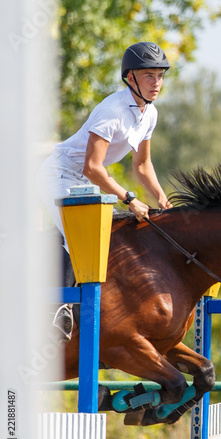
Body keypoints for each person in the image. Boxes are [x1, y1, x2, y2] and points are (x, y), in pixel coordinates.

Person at [37, 42, 173, 340]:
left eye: (160, 76)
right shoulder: (112, 111)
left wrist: (163, 199)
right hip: (59, 175)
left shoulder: (149, 113)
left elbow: (143, 165)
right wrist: (130, 198)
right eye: (149, 76)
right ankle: (53, 311)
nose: (156, 83)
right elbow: (93, 168)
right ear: (131, 78)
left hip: (82, 180)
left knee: (109, 240)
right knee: (85, 239)